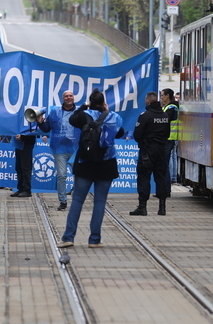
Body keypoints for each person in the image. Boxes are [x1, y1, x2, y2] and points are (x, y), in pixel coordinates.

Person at [57, 90, 124, 248]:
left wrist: (83, 107)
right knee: (100, 202)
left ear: (90, 102)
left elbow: (72, 119)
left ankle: (68, 237)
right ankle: (94, 239)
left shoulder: (84, 115)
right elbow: (120, 133)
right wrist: (106, 111)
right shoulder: (114, 117)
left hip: (85, 162)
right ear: (103, 102)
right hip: (106, 163)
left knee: (78, 200)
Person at [37, 90, 80, 211]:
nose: (68, 97)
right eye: (66, 96)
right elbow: (46, 128)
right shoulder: (55, 112)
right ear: (62, 98)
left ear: (73, 98)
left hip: (76, 148)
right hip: (59, 148)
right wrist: (40, 123)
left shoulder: (80, 112)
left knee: (78, 175)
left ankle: (76, 198)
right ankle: (63, 201)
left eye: (70, 95)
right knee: (61, 175)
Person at [131, 92, 171, 216]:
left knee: (144, 177)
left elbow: (137, 136)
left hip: (147, 151)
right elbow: (168, 134)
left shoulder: (145, 116)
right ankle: (162, 207)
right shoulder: (165, 115)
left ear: (148, 101)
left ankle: (142, 207)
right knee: (160, 177)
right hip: (161, 150)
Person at [10, 121, 38, 198]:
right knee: (18, 167)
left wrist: (23, 137)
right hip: (18, 143)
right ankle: (20, 188)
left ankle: (27, 190)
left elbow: (33, 131)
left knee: (25, 167)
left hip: (27, 144)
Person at [160, 88, 180, 183]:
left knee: (169, 159)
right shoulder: (168, 107)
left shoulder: (172, 107)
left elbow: (165, 119)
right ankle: (173, 177)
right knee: (172, 156)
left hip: (170, 136)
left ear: (167, 95)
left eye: (162, 95)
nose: (161, 97)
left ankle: (172, 177)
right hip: (170, 136)